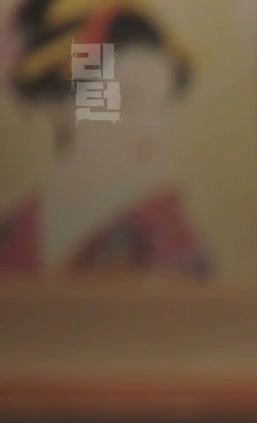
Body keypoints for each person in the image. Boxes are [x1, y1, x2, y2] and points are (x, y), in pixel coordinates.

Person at [0, 0, 210, 276]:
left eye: (160, 106)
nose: (148, 129)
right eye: (127, 101)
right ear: (61, 103)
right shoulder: (15, 227)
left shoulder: (167, 238)